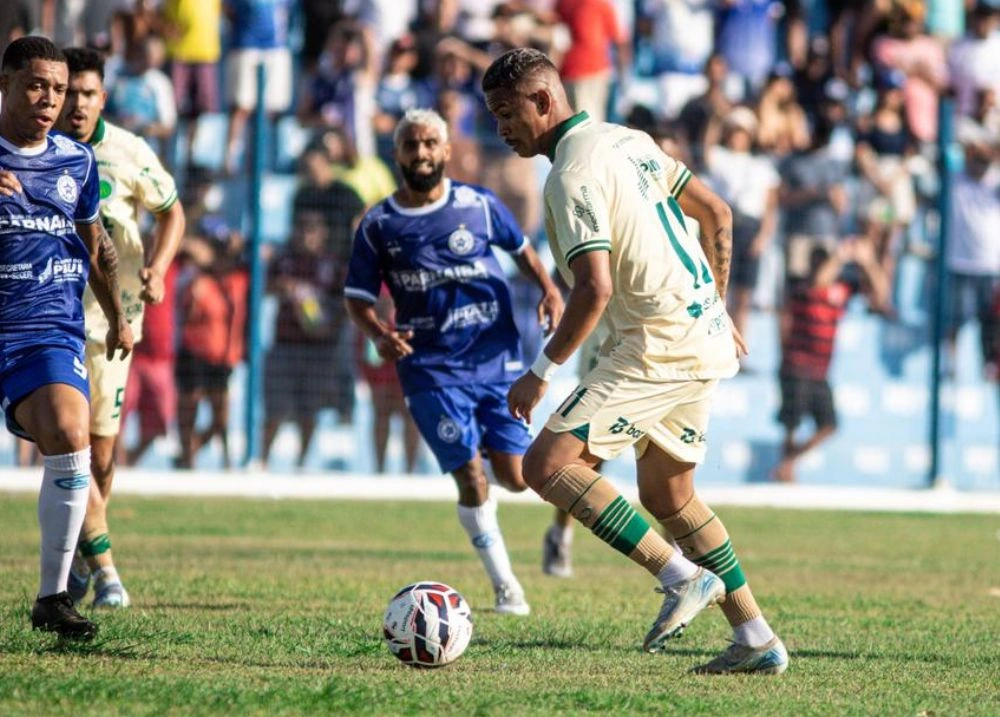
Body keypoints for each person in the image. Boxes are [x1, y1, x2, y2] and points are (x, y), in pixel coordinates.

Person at [482, 47, 787, 674]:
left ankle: (680, 577)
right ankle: (757, 638)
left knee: (545, 465)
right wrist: (717, 307)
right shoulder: (627, 139)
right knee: (669, 492)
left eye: (507, 113)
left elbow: (592, 288)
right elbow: (717, 213)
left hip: (657, 343)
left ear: (543, 101)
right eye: (493, 116)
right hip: (700, 331)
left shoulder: (569, 176)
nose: (501, 129)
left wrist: (538, 373)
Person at [345, 108, 567, 614]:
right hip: (430, 369)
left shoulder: (478, 204)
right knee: (470, 478)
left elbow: (522, 250)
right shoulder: (379, 225)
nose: (420, 153)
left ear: (446, 151)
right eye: (410, 145)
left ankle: (487, 448)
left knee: (516, 478)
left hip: (495, 359)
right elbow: (355, 298)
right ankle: (506, 586)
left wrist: (549, 289)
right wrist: (379, 334)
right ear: (397, 153)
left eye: (429, 144)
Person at [0, 36, 133, 639]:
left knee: (72, 435)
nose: (50, 100)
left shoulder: (75, 161)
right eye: (36, 85)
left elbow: (95, 244)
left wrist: (118, 314)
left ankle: (52, 596)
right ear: (5, 84)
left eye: (58, 88)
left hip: (45, 330)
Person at [52, 47, 184, 609]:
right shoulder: (35, 153)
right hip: (51, 321)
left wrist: (158, 265)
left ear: (102, 97)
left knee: (101, 459)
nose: (76, 104)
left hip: (116, 324)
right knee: (70, 445)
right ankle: (107, 573)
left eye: (87, 94)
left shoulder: (128, 152)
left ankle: (83, 557)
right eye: (68, 93)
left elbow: (172, 212)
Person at [774, 239, 888, 483]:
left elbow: (880, 295)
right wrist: (841, 256)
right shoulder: (801, 285)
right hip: (796, 364)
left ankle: (789, 462)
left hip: (820, 370)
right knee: (791, 424)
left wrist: (868, 263)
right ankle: (786, 469)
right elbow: (820, 283)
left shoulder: (843, 288)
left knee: (829, 425)